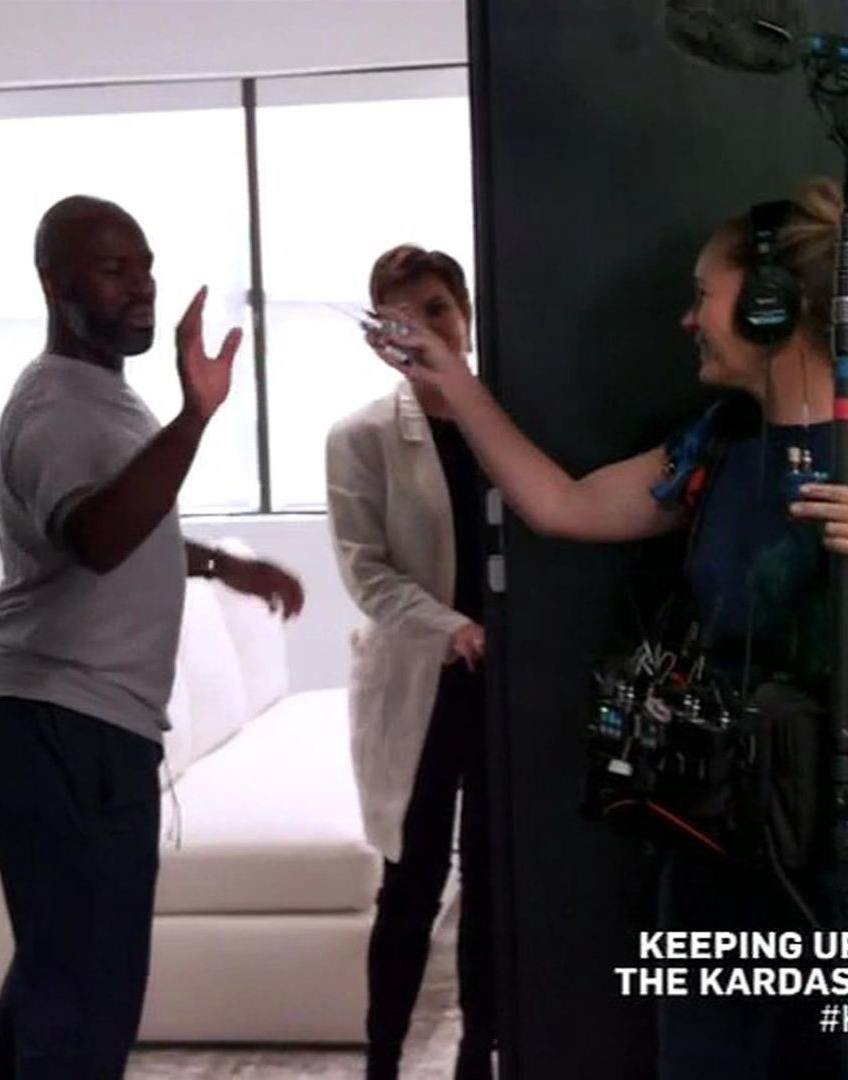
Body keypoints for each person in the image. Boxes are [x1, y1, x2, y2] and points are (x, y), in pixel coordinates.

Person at [367, 178, 848, 1080]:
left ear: (767, 304)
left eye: (703, 296)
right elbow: (562, 505)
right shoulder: (712, 447)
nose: (689, 320)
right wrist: (453, 380)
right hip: (723, 843)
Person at [0, 195, 306, 1080]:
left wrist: (219, 567)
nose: (142, 288)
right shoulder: (56, 406)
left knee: (60, 976)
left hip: (74, 720)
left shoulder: (101, 398)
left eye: (145, 267)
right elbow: (97, 536)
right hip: (59, 717)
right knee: (86, 995)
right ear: (54, 284)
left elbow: (127, 526)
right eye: (115, 271)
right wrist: (194, 419)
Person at [326, 245, 494, 1080]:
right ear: (378, 336)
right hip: (424, 681)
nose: (424, 329)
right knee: (411, 886)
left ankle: (476, 1056)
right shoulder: (361, 437)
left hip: (503, 687)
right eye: (400, 318)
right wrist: (454, 627)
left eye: (437, 309)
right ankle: (383, 1063)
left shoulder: (505, 421)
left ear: (466, 315)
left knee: (494, 886)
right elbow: (367, 572)